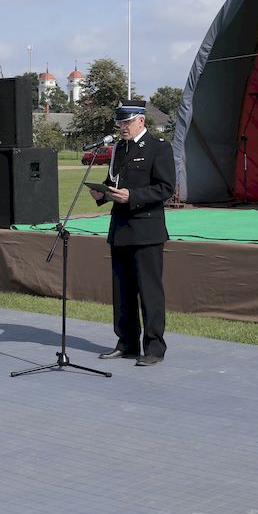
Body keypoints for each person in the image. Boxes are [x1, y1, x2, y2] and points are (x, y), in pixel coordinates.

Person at [89, 99, 176, 366]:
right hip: (121, 229)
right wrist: (102, 193)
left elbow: (165, 188)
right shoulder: (119, 148)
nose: (122, 127)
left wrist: (133, 196)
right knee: (122, 292)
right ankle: (126, 343)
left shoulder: (158, 147)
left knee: (149, 292)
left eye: (126, 122)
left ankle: (154, 348)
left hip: (146, 230)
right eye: (120, 123)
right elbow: (114, 182)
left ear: (141, 120)